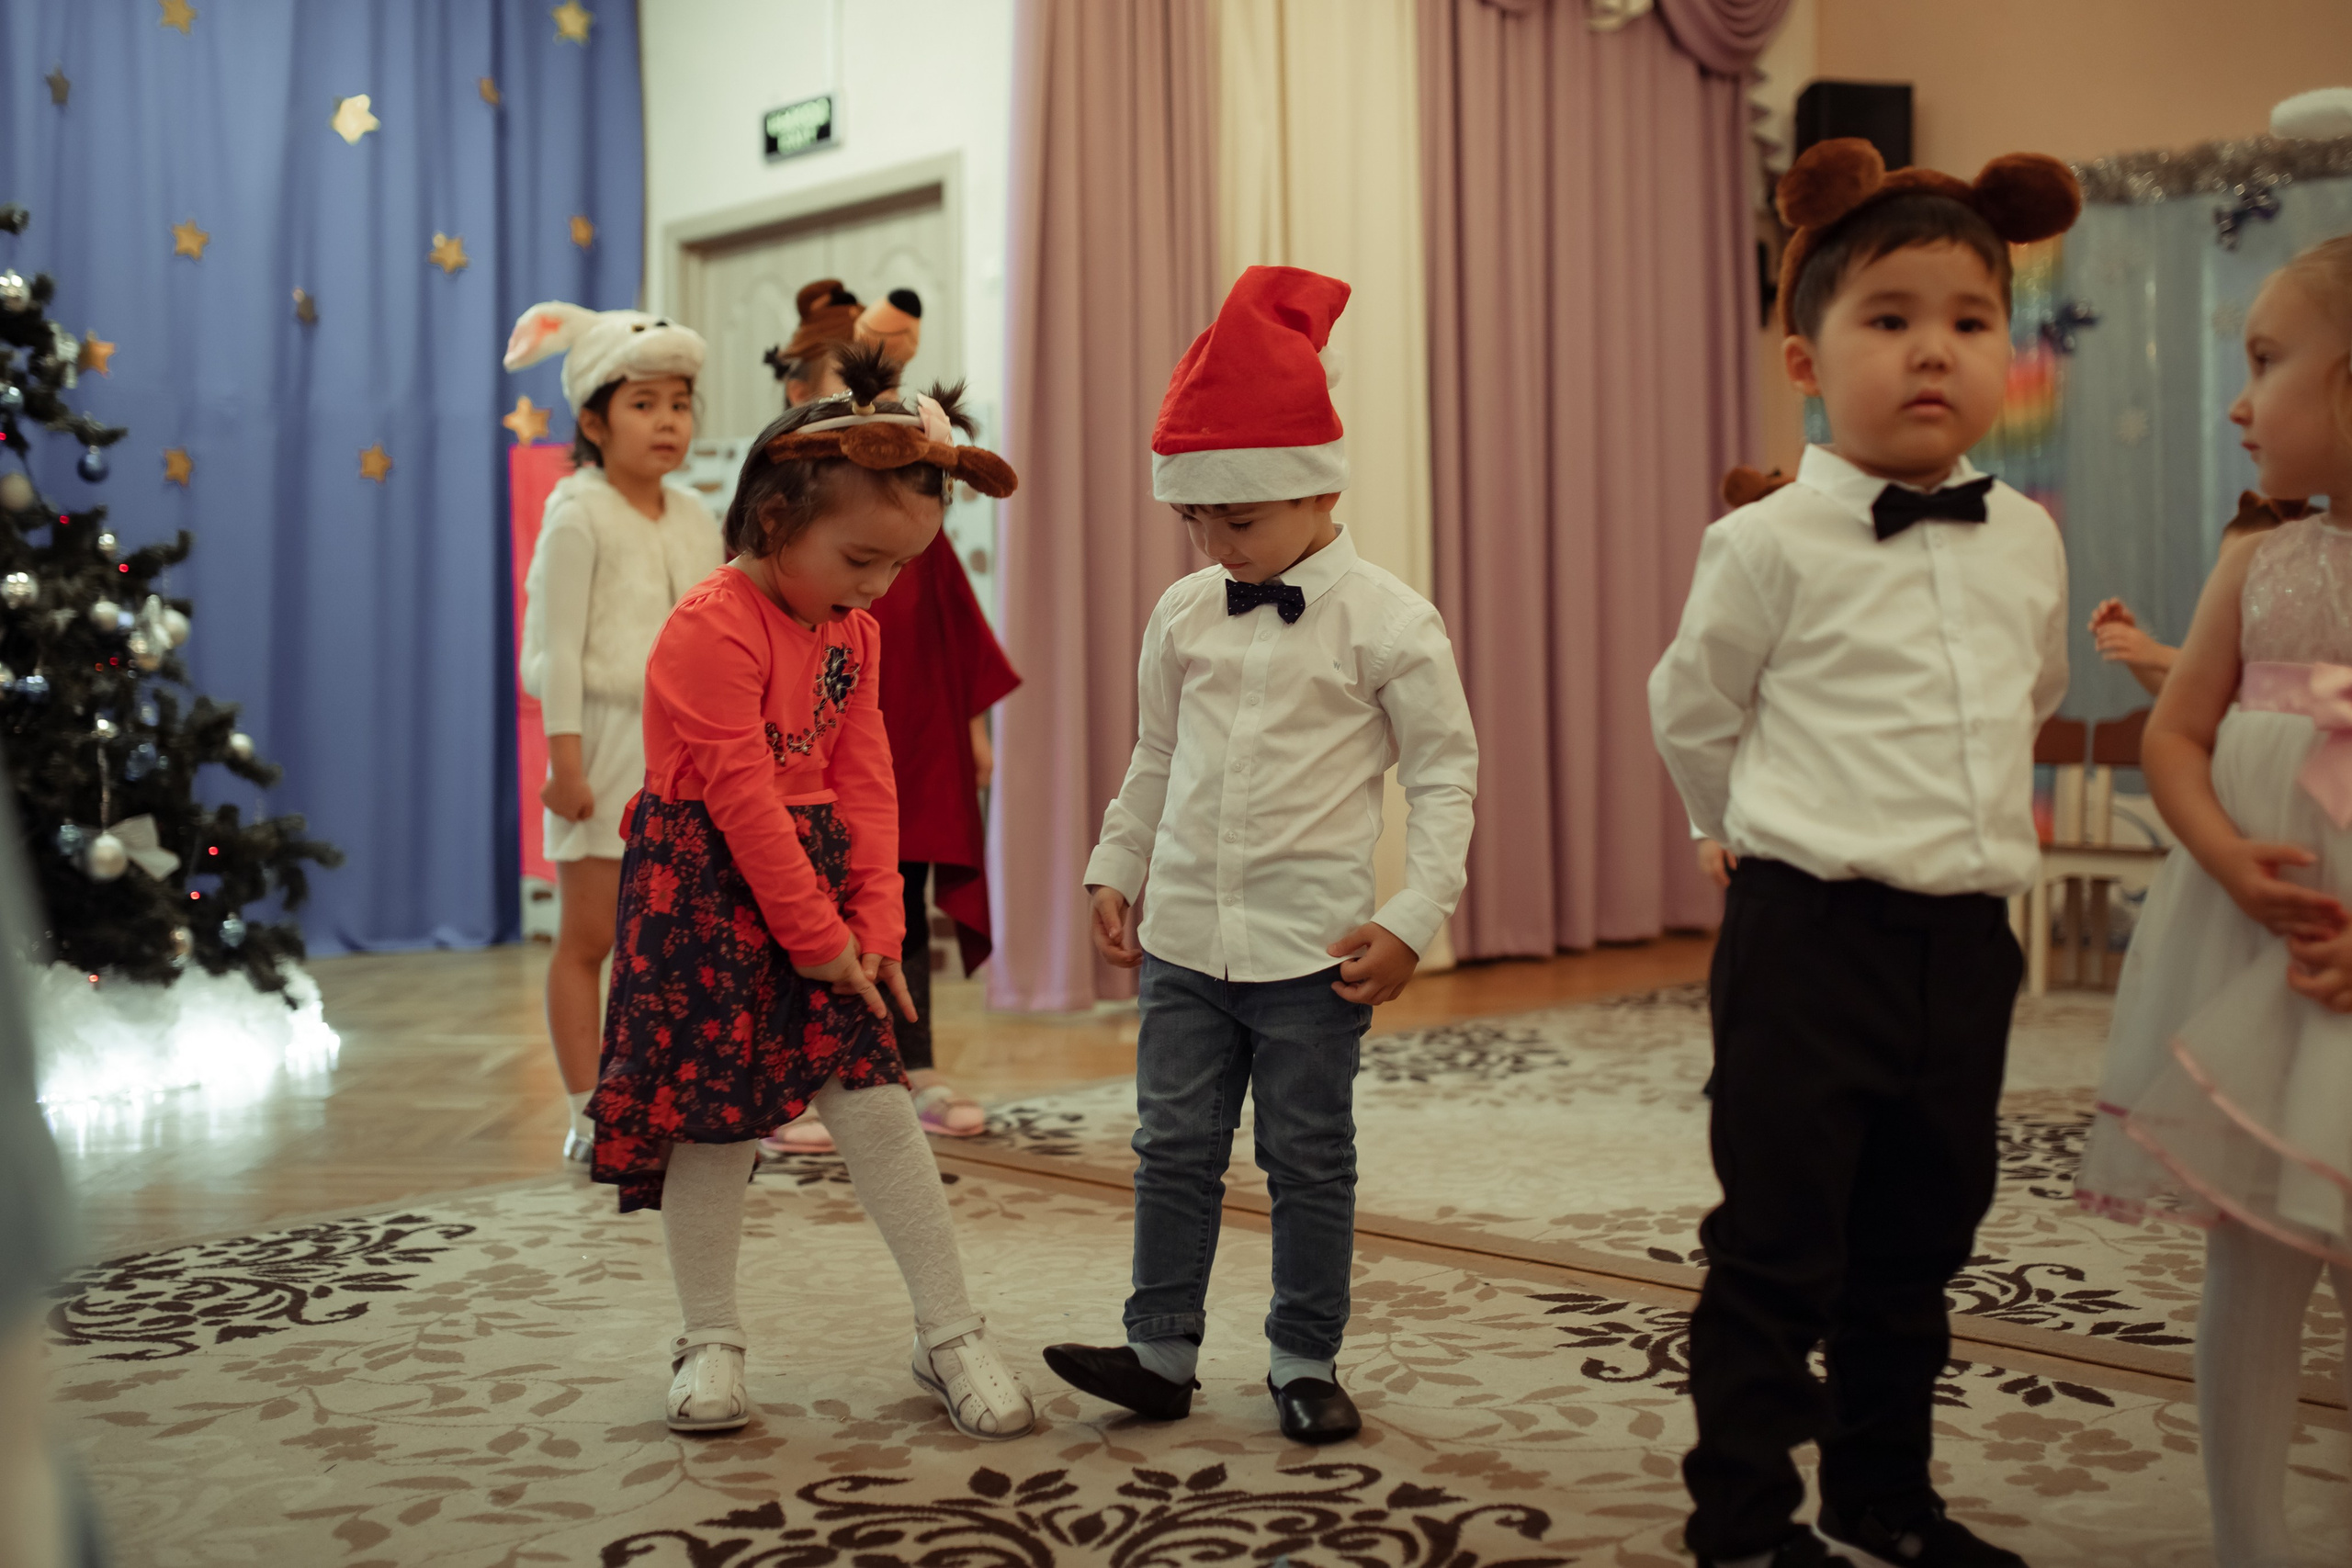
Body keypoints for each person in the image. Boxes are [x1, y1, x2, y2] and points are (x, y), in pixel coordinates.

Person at [1649, 138, 2079, 1568]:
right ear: (1806, 356)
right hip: (1808, 931)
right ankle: (1747, 1523)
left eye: (1967, 319)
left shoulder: (2026, 536)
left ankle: (1888, 1496)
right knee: (1779, 1241)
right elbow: (1693, 705)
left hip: (1966, 942)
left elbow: (2032, 693)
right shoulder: (1767, 541)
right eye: (1887, 318)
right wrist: (1730, 828)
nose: (1932, 351)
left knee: (1920, 1238)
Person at [1041, 265, 1478, 1446]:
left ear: (1318, 488)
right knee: (1171, 1147)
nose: (1213, 543)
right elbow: (1154, 753)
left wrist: (1412, 915)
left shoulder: (1389, 622)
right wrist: (1114, 863)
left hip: (1308, 953)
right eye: (1194, 519)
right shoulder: (1183, 615)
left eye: (1238, 519)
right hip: (1185, 937)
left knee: (1305, 1160)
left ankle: (1301, 1358)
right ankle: (1157, 1350)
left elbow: (1444, 776)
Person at [584, 345, 1036, 1441]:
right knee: (713, 1132)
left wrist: (875, 924)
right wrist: (816, 937)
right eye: (860, 559)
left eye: (896, 568)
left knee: (880, 1115)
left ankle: (948, 1331)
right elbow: (740, 798)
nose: (876, 587)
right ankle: (710, 1338)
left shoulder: (854, 633)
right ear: (773, 520)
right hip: (707, 895)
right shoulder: (709, 626)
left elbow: (864, 778)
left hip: (820, 895)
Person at [2074, 236, 2352, 1567]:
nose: (2238, 402)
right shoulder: (2260, 563)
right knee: (2252, 1254)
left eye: (2262, 364)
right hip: (2256, 966)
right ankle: (2252, 1538)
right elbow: (2176, 738)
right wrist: (2233, 857)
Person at [758, 284, 1018, 1156]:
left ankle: (912, 1061)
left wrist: (972, 730)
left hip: (901, 742)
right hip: (799, 754)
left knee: (892, 893)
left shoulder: (913, 520)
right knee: (798, 907)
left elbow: (954, 626)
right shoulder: (789, 533)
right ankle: (797, 1078)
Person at [504, 303, 724, 1164]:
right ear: (594, 421)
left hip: (689, 752)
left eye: (679, 402)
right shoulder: (578, 512)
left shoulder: (696, 515)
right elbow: (554, 646)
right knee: (592, 937)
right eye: (644, 403)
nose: (668, 420)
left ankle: (670, 1090)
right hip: (601, 744)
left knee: (676, 936)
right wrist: (565, 762)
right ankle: (587, 1106)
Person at [2087, 492, 2312, 695]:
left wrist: (2157, 653)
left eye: (2241, 572)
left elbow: (2258, 684)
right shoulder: (2235, 630)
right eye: (2224, 570)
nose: (2227, 583)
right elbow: (2185, 696)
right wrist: (2132, 650)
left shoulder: (2308, 634)